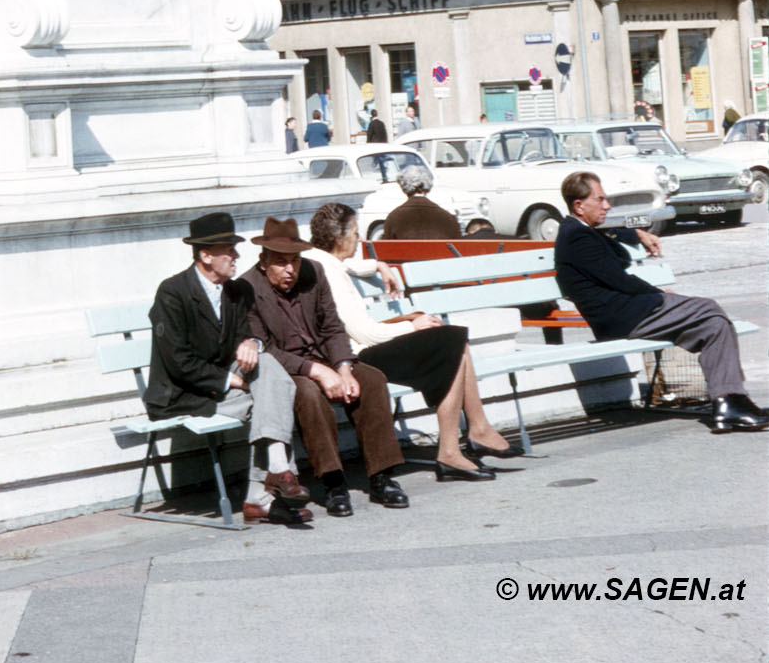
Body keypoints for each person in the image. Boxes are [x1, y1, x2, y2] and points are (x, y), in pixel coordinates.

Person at [554, 173, 769, 434]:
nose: (607, 205)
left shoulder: (580, 230)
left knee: (714, 325)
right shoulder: (576, 238)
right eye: (600, 200)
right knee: (708, 307)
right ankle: (732, 402)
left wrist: (636, 232)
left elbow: (607, 236)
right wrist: (660, 294)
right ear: (579, 205)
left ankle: (728, 404)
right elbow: (620, 281)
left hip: (631, 312)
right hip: (623, 318)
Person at [308, 202, 512, 476]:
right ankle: (463, 441)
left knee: (452, 341)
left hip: (358, 350)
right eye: (355, 232)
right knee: (451, 340)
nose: (358, 239)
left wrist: (379, 265)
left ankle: (471, 434)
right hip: (358, 358)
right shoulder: (329, 273)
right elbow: (366, 333)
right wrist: (413, 327)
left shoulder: (319, 259)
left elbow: (349, 268)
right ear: (339, 237)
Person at [146, 211, 311, 527]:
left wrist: (252, 342)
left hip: (227, 390)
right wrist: (233, 380)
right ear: (205, 256)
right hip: (185, 394)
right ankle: (263, 493)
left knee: (270, 376)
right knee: (273, 394)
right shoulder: (173, 293)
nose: (236, 256)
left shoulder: (237, 292)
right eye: (228, 250)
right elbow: (178, 362)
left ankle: (273, 480)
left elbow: (243, 337)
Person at [242, 215, 410, 515]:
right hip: (287, 370)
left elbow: (333, 326)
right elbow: (263, 348)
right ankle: (333, 482)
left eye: (294, 260)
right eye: (281, 262)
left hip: (325, 356)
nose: (290, 269)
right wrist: (317, 371)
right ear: (264, 261)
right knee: (308, 394)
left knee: (371, 380)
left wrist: (343, 368)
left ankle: (382, 477)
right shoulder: (247, 288)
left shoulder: (314, 271)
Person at [381, 163, 465, 240]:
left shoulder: (394, 217)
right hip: (439, 256)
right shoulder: (448, 218)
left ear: (403, 187)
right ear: (428, 185)